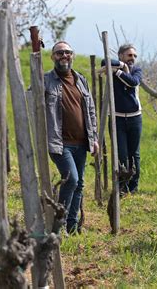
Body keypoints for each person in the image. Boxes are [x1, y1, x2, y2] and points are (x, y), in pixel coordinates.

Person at [44, 41, 99, 234]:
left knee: (79, 184)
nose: (64, 56)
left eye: (67, 52)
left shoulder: (81, 80)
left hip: (81, 142)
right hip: (59, 143)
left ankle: (72, 226)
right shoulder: (46, 81)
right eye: (59, 53)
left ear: (72, 56)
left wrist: (95, 138)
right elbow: (31, 100)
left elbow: (91, 110)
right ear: (53, 57)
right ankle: (58, 226)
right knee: (72, 180)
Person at [100, 44, 143, 195]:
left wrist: (118, 71)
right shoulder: (113, 66)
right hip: (117, 118)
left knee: (134, 154)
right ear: (120, 55)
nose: (133, 58)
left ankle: (134, 186)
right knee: (121, 153)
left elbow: (133, 82)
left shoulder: (136, 70)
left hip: (134, 118)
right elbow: (104, 62)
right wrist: (120, 67)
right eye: (129, 55)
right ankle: (122, 187)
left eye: (134, 56)